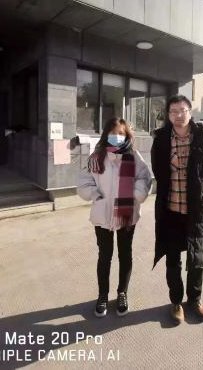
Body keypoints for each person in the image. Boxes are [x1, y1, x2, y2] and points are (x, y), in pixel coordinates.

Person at [151, 95, 203, 325]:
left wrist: (199, 192)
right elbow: (158, 171)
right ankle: (176, 302)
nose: (178, 115)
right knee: (173, 259)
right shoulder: (161, 139)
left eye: (182, 110)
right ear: (168, 115)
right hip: (170, 210)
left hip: (196, 210)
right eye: (173, 111)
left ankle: (195, 300)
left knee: (196, 258)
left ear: (190, 111)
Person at [77, 118, 152, 318]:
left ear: (127, 136)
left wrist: (136, 194)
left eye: (121, 133)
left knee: (125, 254)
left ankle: (122, 293)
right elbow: (84, 181)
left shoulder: (133, 156)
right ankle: (102, 295)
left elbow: (145, 178)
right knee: (105, 256)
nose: (116, 136)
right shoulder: (97, 157)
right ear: (106, 134)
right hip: (102, 215)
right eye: (113, 132)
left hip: (127, 214)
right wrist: (95, 195)